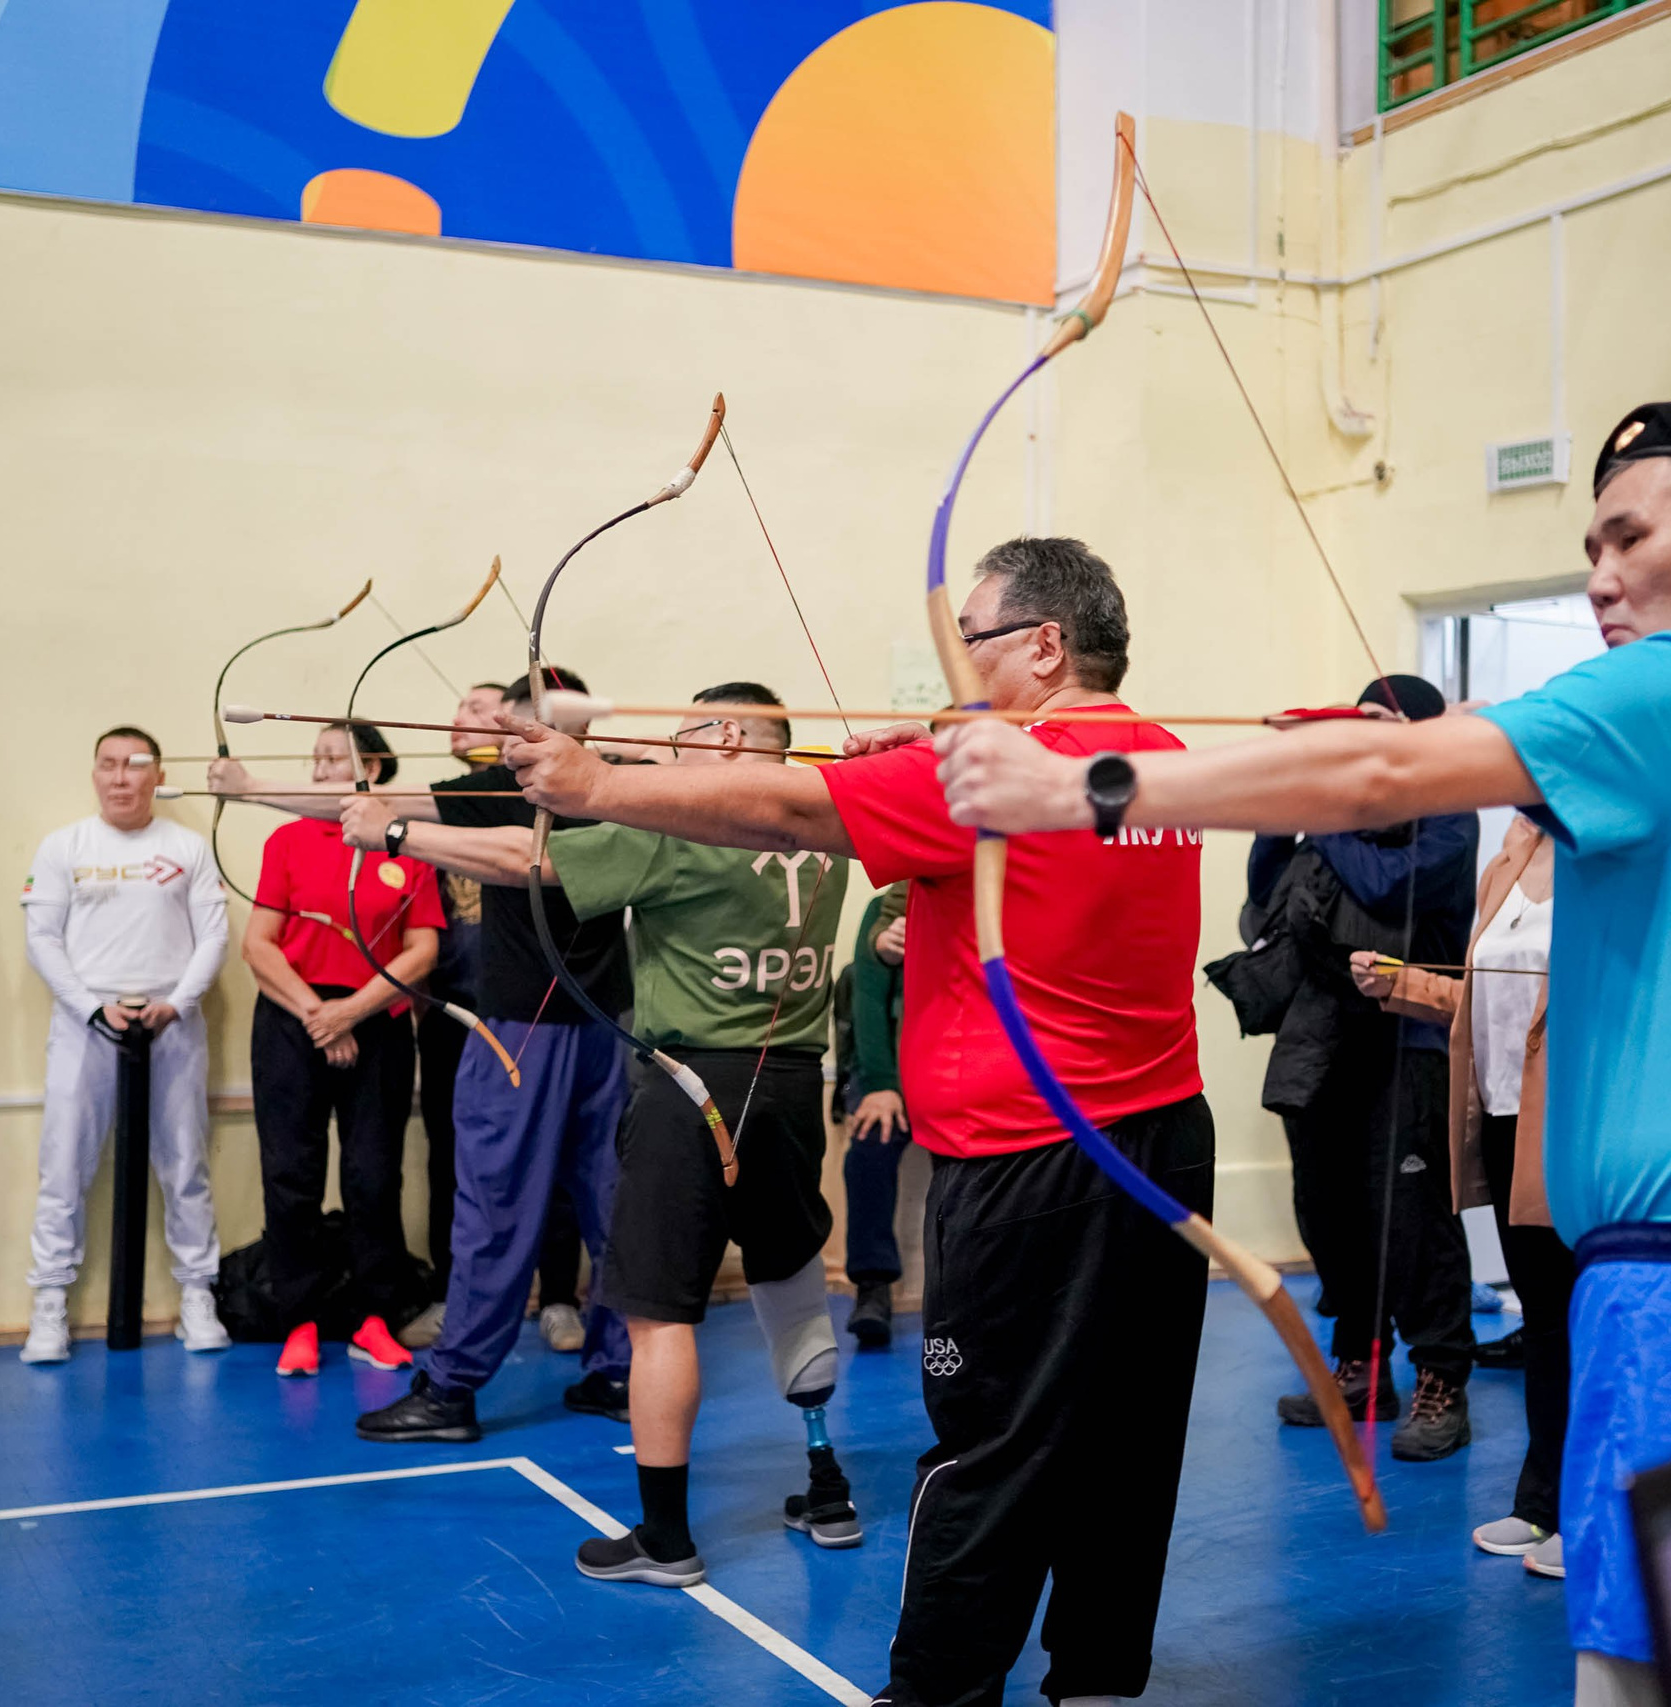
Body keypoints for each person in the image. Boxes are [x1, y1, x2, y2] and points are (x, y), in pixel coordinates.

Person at [935, 406, 1671, 1707]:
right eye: (1590, 543)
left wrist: (1081, 786)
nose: (1599, 574)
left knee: (1637, 1686)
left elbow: (1384, 771)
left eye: (1629, 535)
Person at [502, 538, 1210, 1706]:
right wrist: (935, 742)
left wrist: (595, 787)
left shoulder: (988, 778)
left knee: (989, 1441)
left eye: (971, 640)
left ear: (1044, 643)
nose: (954, 666)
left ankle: (936, 1692)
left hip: (1030, 1161)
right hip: (1160, 1141)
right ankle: (1094, 1677)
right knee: (1123, 1434)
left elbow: (781, 804)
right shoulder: (1157, 760)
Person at [343, 683, 858, 1587]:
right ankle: (826, 1486)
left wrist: (392, 831)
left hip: (689, 1087)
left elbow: (525, 858)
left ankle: (665, 1538)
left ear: (731, 736)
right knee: (790, 1279)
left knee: (660, 1319)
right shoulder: (830, 823)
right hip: (785, 1083)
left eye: (685, 731)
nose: (666, 750)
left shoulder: (683, 828)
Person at [212, 672, 634, 1428]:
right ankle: (556, 1372)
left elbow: (501, 849)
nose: (511, 735)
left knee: (574, 1203)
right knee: (523, 1201)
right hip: (545, 1023)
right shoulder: (506, 784)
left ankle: (486, 1385)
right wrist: (249, 788)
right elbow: (369, 805)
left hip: (569, 1030)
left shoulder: (617, 780)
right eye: (510, 723)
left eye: (530, 720)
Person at [1264, 675, 1480, 1462]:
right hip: (1325, 1044)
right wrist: (1278, 811)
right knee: (1328, 1213)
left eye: (1381, 723)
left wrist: (1319, 820)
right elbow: (1264, 901)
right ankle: (1362, 1364)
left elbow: (1390, 887)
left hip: (1410, 1041)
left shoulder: (1451, 812)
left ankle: (1441, 1378)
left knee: (1412, 1221)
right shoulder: (1341, 818)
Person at [1352, 813, 1574, 1575]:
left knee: (1590, 1317)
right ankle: (1541, 1505)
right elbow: (1485, 998)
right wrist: (1401, 982)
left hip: (1578, 1118)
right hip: (1511, 1115)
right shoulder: (1507, 860)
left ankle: (1590, 1514)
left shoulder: (1606, 861)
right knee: (1546, 1318)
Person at [17, 727, 232, 1363]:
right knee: (63, 1169)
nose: (120, 778)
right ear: (94, 773)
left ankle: (198, 1296)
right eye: (108, 765)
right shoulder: (65, 847)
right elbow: (43, 939)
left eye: (134, 767)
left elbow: (213, 938)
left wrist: (178, 1003)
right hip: (86, 1025)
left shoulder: (189, 848)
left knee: (185, 1165)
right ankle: (49, 1307)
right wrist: (90, 1008)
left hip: (170, 1024)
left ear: (156, 776)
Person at [242, 721, 438, 1378]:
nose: (322, 769)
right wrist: (319, 1014)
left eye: (337, 758)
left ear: (375, 770)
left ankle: (375, 1317)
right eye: (317, 758)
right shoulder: (289, 838)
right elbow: (258, 943)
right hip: (293, 1016)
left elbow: (423, 949)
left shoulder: (406, 844)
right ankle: (297, 1318)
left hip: (376, 1018)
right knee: (291, 1174)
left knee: (373, 1176)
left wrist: (353, 1011)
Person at [400, 682, 508, 1352]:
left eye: (476, 707)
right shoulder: (436, 805)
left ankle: (555, 1294)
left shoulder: (533, 795)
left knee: (543, 1154)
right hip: (448, 1010)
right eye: (456, 709)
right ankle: (450, 1290)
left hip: (523, 1012)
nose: (458, 719)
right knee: (448, 1153)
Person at [841, 883, 909, 1349]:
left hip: (967, 1066)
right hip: (897, 1068)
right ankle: (873, 1287)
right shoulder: (886, 911)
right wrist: (883, 1085)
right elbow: (866, 999)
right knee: (868, 1150)